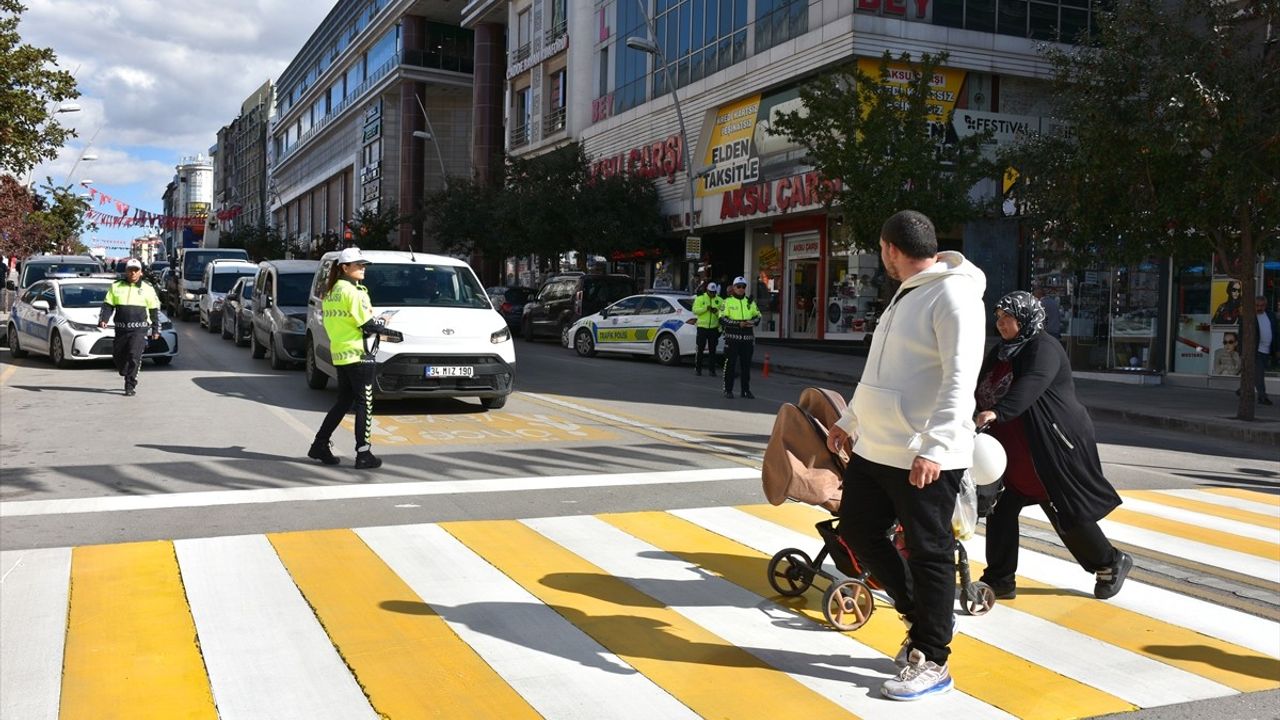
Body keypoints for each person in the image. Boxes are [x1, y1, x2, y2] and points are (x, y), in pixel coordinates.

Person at [826, 210, 985, 701]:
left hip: (923, 454)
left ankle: (933, 658)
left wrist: (935, 447)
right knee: (857, 529)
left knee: (929, 550)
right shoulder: (907, 293)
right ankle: (922, 616)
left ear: (890, 248)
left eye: (880, 250)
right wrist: (850, 419)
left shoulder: (953, 295)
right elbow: (881, 370)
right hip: (877, 447)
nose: (882, 258)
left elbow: (961, 379)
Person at [973, 291, 1131, 605]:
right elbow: (979, 384)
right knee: (1000, 509)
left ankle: (1110, 562)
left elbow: (1032, 383)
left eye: (1009, 317)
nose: (1001, 323)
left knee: (1065, 510)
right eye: (999, 317)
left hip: (1049, 444)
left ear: (1026, 318)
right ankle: (1000, 579)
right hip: (1009, 448)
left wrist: (998, 412)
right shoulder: (1002, 351)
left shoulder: (1043, 347)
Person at [309, 247, 387, 469]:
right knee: (365, 403)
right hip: (359, 354)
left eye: (364, 265)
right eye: (358, 265)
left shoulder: (331, 292)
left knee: (343, 401)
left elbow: (340, 323)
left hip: (341, 354)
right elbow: (367, 324)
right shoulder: (354, 292)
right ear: (345, 267)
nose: (363, 268)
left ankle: (319, 444)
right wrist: (385, 326)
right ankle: (364, 453)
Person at [98, 258, 161, 397]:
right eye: (130, 270)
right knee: (118, 356)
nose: (133, 273)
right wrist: (103, 319)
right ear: (126, 271)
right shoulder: (116, 286)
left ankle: (130, 384)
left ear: (141, 272)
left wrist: (156, 328)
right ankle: (125, 371)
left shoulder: (147, 288)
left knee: (134, 355)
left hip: (139, 329)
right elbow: (108, 305)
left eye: (136, 270)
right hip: (121, 329)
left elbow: (154, 310)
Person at [720, 276, 761, 399]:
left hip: (747, 339)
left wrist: (752, 322)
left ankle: (745, 390)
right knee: (730, 365)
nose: (741, 289)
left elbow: (758, 316)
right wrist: (738, 324)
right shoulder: (727, 302)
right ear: (734, 287)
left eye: (743, 286)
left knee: (746, 366)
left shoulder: (750, 302)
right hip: (732, 339)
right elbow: (722, 319)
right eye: (738, 286)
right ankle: (728, 390)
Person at [1242, 296, 1278, 404]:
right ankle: (1262, 397)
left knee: (1256, 374)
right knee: (1259, 374)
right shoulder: (1249, 316)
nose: (1259, 308)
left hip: (1267, 350)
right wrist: (1241, 351)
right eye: (1257, 305)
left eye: (1262, 305)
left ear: (1265, 305)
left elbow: (1276, 332)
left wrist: (1277, 349)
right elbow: (1241, 334)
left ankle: (1242, 389)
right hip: (1255, 350)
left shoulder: (1270, 315)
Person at [692, 281, 723, 377]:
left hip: (713, 328)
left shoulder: (720, 300)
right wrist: (705, 308)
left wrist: (716, 311)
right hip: (702, 327)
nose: (712, 294)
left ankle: (712, 370)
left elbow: (723, 314)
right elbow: (695, 310)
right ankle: (698, 369)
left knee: (712, 350)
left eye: (714, 292)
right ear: (707, 290)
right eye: (710, 292)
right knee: (700, 349)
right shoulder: (700, 298)